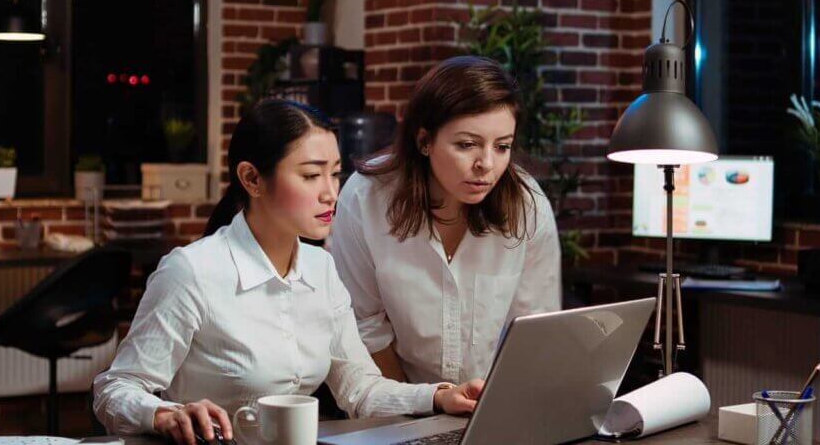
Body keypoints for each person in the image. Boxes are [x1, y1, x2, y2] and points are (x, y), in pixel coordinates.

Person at [93, 99, 484, 445]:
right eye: (311, 175)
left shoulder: (321, 268)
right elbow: (115, 388)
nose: (331, 192)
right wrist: (163, 414)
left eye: (334, 173)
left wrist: (439, 396)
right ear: (252, 179)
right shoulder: (193, 271)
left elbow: (359, 389)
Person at [329, 56, 562, 385]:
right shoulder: (365, 198)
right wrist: (420, 407)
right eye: (467, 145)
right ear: (425, 140)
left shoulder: (527, 204)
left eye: (502, 146)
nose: (487, 164)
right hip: (394, 405)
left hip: (492, 405)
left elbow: (535, 327)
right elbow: (364, 327)